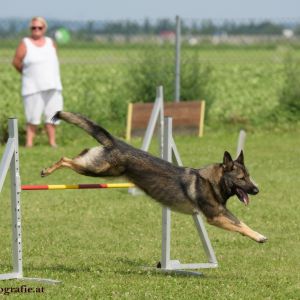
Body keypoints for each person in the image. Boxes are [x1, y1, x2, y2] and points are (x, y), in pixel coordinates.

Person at [12, 16, 63, 148]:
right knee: (32, 117)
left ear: (44, 28)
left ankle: (52, 142)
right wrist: (27, 73)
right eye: (33, 27)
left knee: (53, 116)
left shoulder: (51, 42)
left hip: (53, 85)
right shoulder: (25, 43)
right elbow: (16, 62)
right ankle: (29, 143)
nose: (36, 30)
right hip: (33, 87)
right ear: (30, 29)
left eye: (39, 27)